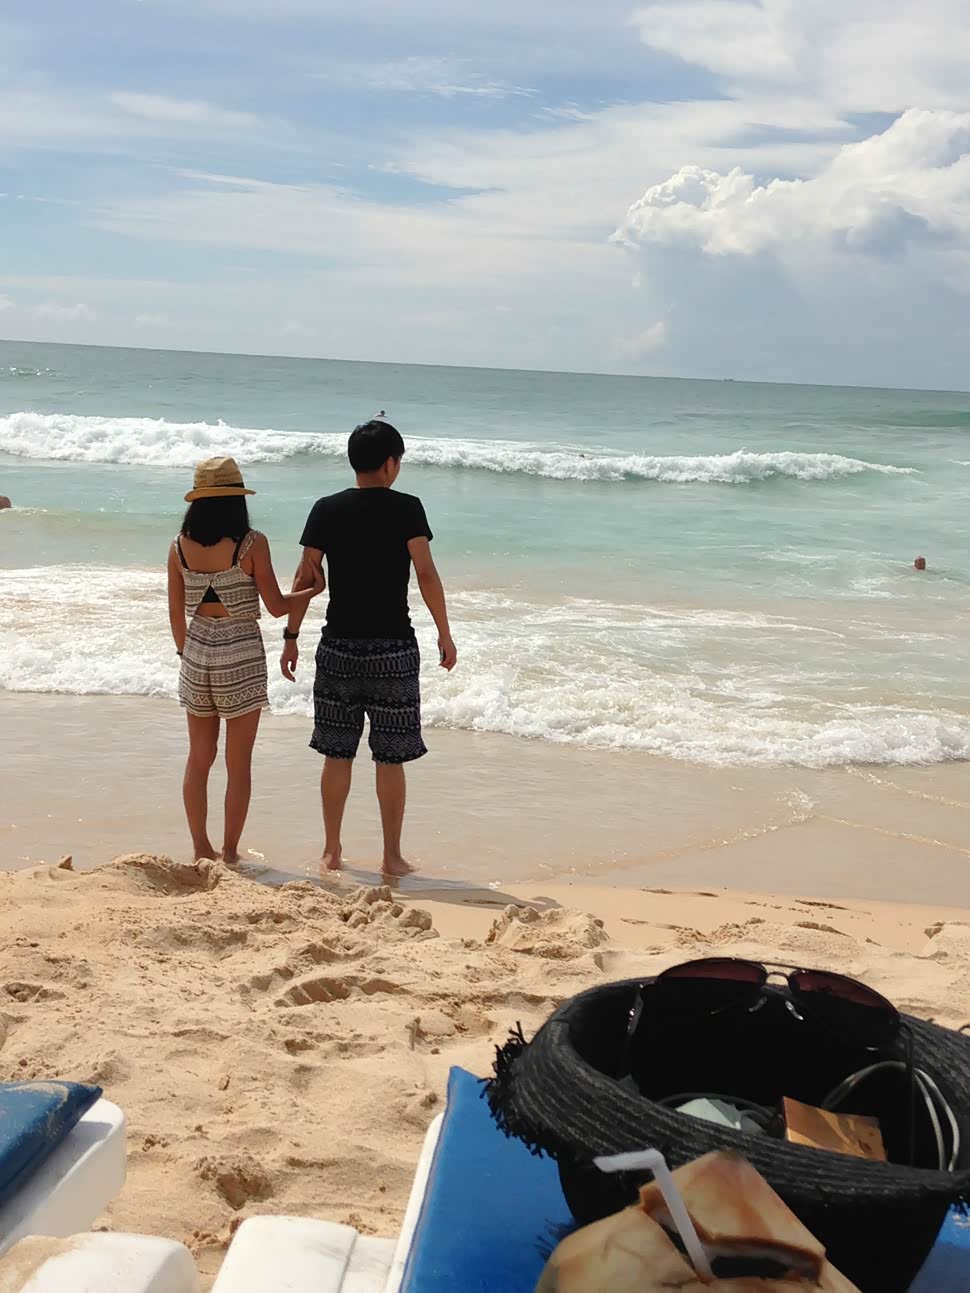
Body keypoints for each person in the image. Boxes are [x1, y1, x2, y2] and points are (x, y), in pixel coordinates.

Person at [280, 420, 457, 876]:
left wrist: (291, 636)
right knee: (391, 757)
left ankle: (331, 851)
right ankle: (392, 856)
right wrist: (444, 632)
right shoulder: (408, 508)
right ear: (390, 463)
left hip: (338, 646)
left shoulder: (326, 509)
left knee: (337, 752)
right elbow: (426, 573)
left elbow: (304, 577)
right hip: (393, 649)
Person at [167, 456, 323, 863]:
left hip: (196, 651)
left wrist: (187, 654)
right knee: (238, 764)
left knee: (199, 757)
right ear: (237, 499)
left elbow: (176, 614)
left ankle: (201, 848)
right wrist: (312, 592)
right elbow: (276, 606)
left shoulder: (178, 546)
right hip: (240, 651)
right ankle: (231, 851)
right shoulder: (251, 543)